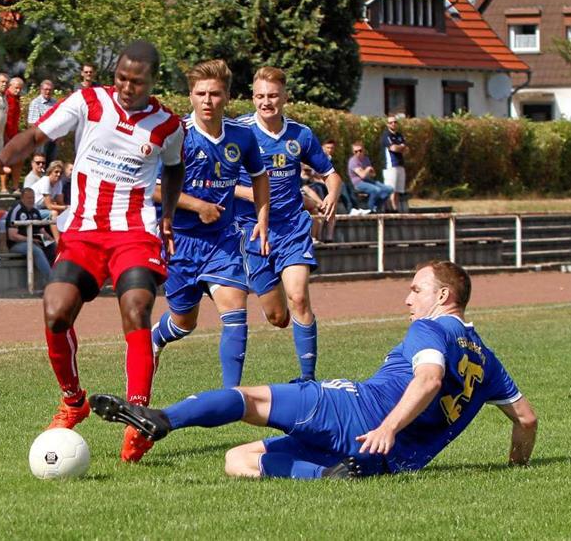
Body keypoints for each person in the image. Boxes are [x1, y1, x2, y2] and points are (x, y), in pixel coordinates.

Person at [92, 260, 539, 479]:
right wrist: (516, 469)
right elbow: (526, 420)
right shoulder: (487, 358)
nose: (408, 299)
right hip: (394, 460)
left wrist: (386, 425)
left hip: (357, 413)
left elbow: (429, 379)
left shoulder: (431, 329)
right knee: (237, 460)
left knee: (251, 399)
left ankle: (162, 419)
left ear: (443, 296)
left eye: (416, 288)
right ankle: (329, 476)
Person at [0, 40, 186, 463]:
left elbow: (175, 169)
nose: (125, 87)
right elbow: (36, 134)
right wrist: (3, 157)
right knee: (55, 311)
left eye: (136, 82)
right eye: (120, 78)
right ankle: (73, 400)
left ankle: (137, 417)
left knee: (137, 308)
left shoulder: (167, 126)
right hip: (82, 232)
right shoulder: (87, 101)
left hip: (135, 233)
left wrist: (169, 215)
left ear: (152, 81)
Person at [151, 59, 270, 389]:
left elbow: (260, 177)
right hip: (181, 241)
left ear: (227, 97)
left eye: (215, 94)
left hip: (223, 240)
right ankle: (156, 338)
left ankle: (230, 398)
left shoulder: (242, 137)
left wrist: (262, 218)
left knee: (236, 309)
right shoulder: (176, 135)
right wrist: (197, 205)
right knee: (183, 322)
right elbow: (153, 188)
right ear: (190, 96)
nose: (207, 100)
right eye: (201, 93)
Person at [235, 66, 341, 382]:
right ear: (252, 98)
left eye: (273, 96)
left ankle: (308, 379)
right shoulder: (238, 132)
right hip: (252, 231)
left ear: (285, 97)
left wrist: (332, 193)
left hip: (293, 228)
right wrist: (256, 194)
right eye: (260, 96)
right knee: (277, 316)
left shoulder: (301, 135)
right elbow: (221, 181)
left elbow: (331, 174)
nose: (266, 102)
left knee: (299, 298)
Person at [5, 187, 56, 283]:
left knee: (53, 246)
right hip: (16, 244)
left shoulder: (35, 211)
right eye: (28, 198)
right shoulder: (16, 211)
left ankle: (55, 277)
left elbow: (41, 229)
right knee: (36, 250)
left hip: (34, 240)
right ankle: (51, 281)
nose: (31, 200)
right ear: (22, 198)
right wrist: (30, 240)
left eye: (32, 198)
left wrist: (48, 238)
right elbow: (12, 236)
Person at [348, 141, 393, 213]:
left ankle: (376, 206)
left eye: (360, 150)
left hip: (368, 180)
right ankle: (370, 209)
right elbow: (362, 175)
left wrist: (368, 172)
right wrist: (367, 169)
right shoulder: (353, 161)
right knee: (376, 190)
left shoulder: (366, 159)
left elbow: (373, 174)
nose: (358, 153)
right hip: (358, 183)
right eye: (355, 151)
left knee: (389, 189)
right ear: (353, 152)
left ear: (363, 150)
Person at [28, 159, 67, 239]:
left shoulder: (59, 183)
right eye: (56, 172)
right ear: (50, 172)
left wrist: (66, 209)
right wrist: (66, 207)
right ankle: (58, 241)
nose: (58, 174)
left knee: (63, 213)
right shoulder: (45, 181)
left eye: (60, 172)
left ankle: (66, 238)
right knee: (54, 213)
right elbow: (49, 206)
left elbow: (60, 202)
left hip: (40, 210)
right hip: (31, 211)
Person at [380, 115, 408, 212]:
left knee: (397, 190)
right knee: (390, 189)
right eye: (391, 122)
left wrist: (399, 148)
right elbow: (393, 148)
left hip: (400, 164)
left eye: (395, 122)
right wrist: (400, 147)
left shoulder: (400, 135)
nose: (393, 124)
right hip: (390, 165)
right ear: (387, 124)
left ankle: (395, 209)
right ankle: (390, 209)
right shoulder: (386, 135)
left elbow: (406, 149)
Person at [3, 76, 26, 193]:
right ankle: (3, 188)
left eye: (20, 89)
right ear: (10, 86)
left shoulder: (17, 99)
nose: (18, 91)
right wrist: (4, 136)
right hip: (4, 135)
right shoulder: (4, 97)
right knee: (4, 160)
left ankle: (15, 186)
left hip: (14, 134)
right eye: (16, 88)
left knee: (18, 159)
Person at [27, 79, 59, 162]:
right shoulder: (36, 103)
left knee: (51, 164)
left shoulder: (55, 102)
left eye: (50, 90)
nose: (48, 92)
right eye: (46, 89)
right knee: (40, 163)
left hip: (53, 138)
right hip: (41, 139)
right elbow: (32, 124)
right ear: (41, 90)